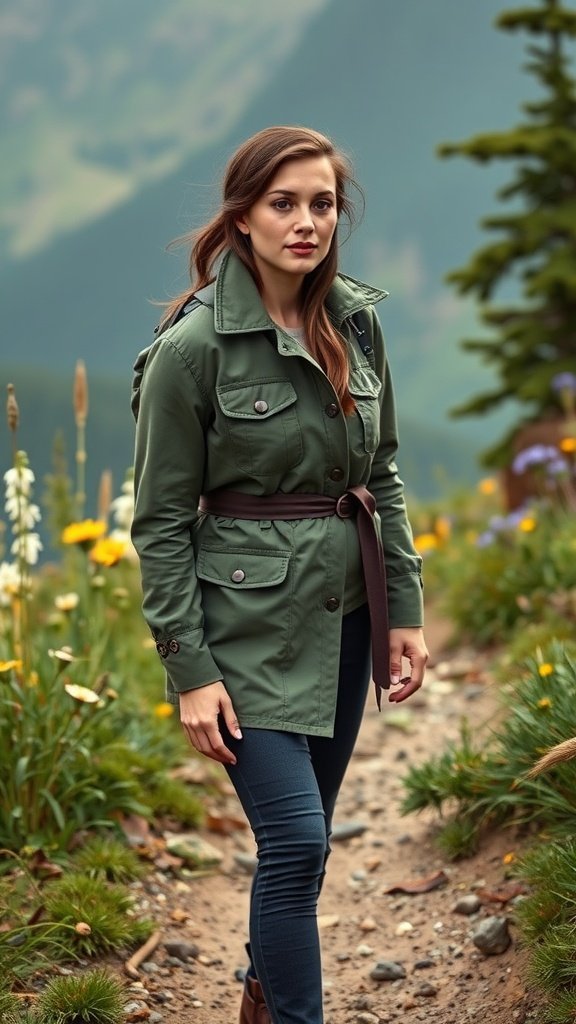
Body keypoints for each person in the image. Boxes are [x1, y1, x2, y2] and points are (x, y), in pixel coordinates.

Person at [131, 125, 428, 1024]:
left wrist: (404, 610)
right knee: (296, 841)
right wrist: (190, 671)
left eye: (323, 204)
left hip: (344, 617)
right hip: (245, 629)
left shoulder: (358, 322)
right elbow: (159, 525)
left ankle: (261, 999)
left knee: (307, 843)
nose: (306, 222)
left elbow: (382, 473)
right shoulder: (193, 350)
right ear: (243, 216)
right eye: (284, 203)